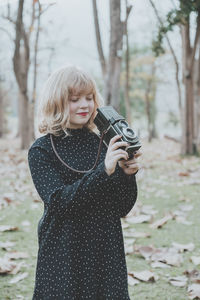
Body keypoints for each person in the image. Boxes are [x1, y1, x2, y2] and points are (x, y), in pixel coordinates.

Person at [28, 65, 141, 300]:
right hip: (64, 251)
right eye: (74, 99)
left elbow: (122, 208)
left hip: (105, 249)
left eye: (89, 98)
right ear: (56, 102)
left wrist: (128, 176)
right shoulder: (42, 150)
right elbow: (59, 203)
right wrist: (105, 170)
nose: (84, 105)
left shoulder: (104, 143)